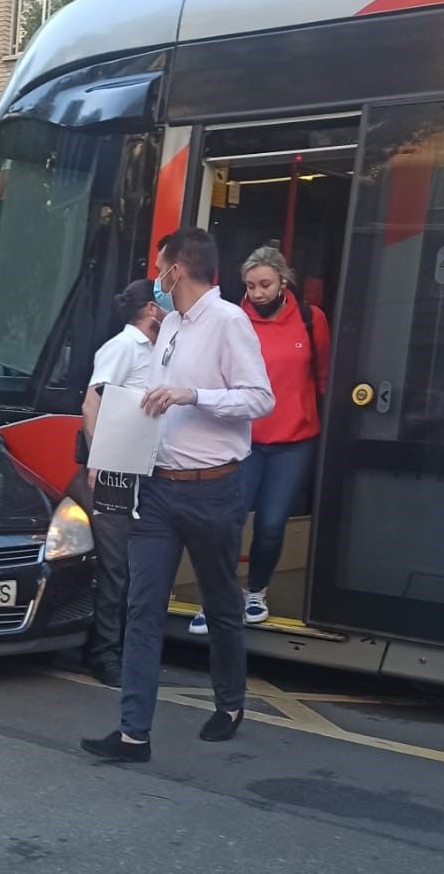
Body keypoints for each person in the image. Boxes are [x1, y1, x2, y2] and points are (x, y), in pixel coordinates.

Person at [81, 228, 274, 764]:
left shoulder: (230, 321)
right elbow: (151, 404)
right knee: (142, 609)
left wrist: (192, 394)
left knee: (219, 604)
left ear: (177, 269)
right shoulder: (167, 329)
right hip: (157, 488)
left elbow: (260, 399)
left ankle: (230, 703)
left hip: (213, 488)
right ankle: (132, 735)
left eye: (159, 266)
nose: (155, 277)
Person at [187, 245, 329, 633]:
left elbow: (322, 376)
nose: (257, 293)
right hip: (243, 440)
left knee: (270, 524)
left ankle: (256, 592)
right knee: (227, 522)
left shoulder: (310, 319)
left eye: (265, 284)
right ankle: (215, 598)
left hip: (294, 441)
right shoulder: (234, 320)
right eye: (250, 286)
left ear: (284, 281)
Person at [79, 280, 163, 688]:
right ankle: (103, 654)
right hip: (115, 468)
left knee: (131, 564)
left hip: (137, 466)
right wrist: (101, 458)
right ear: (151, 307)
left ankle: (118, 648)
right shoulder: (124, 346)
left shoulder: (157, 347)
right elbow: (93, 401)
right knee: (116, 566)